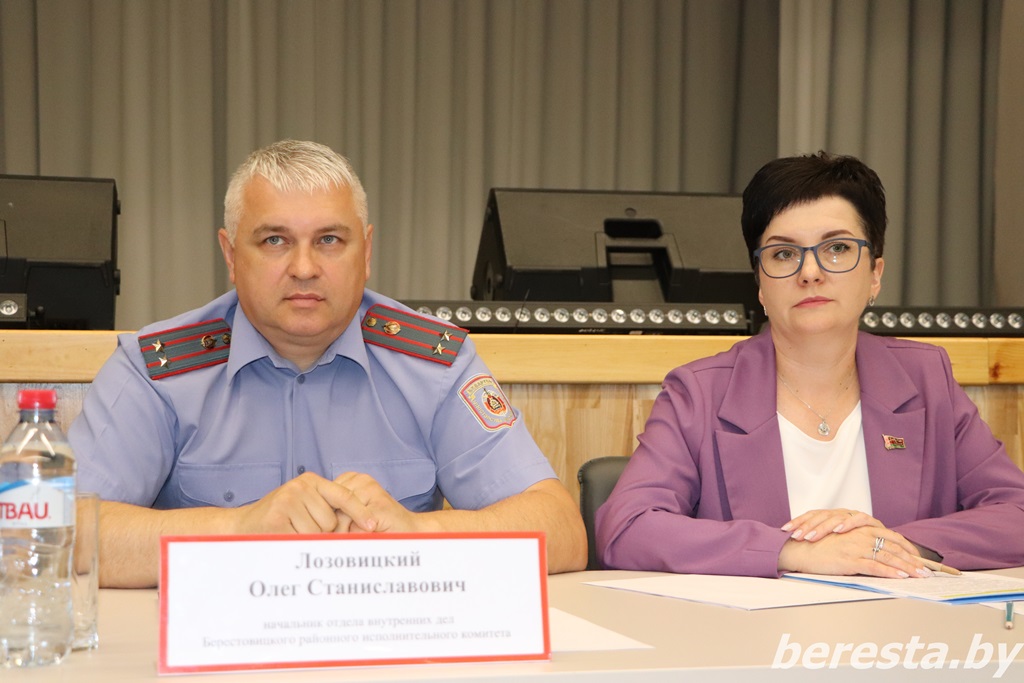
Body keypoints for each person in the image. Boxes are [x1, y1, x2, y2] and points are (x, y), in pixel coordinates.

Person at [70, 139, 586, 587]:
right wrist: (237, 529)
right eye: (274, 240)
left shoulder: (434, 365)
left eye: (329, 241)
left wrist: (420, 531)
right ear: (230, 255)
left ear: (366, 252)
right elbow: (58, 531)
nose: (304, 268)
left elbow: (561, 529)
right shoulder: (157, 370)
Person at [596, 152, 1024, 578]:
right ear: (759, 283)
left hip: (898, 619)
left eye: (837, 248)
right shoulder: (700, 393)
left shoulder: (926, 379)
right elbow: (627, 529)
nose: (811, 272)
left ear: (875, 274)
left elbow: (1016, 513)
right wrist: (790, 551)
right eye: (784, 254)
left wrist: (887, 547)